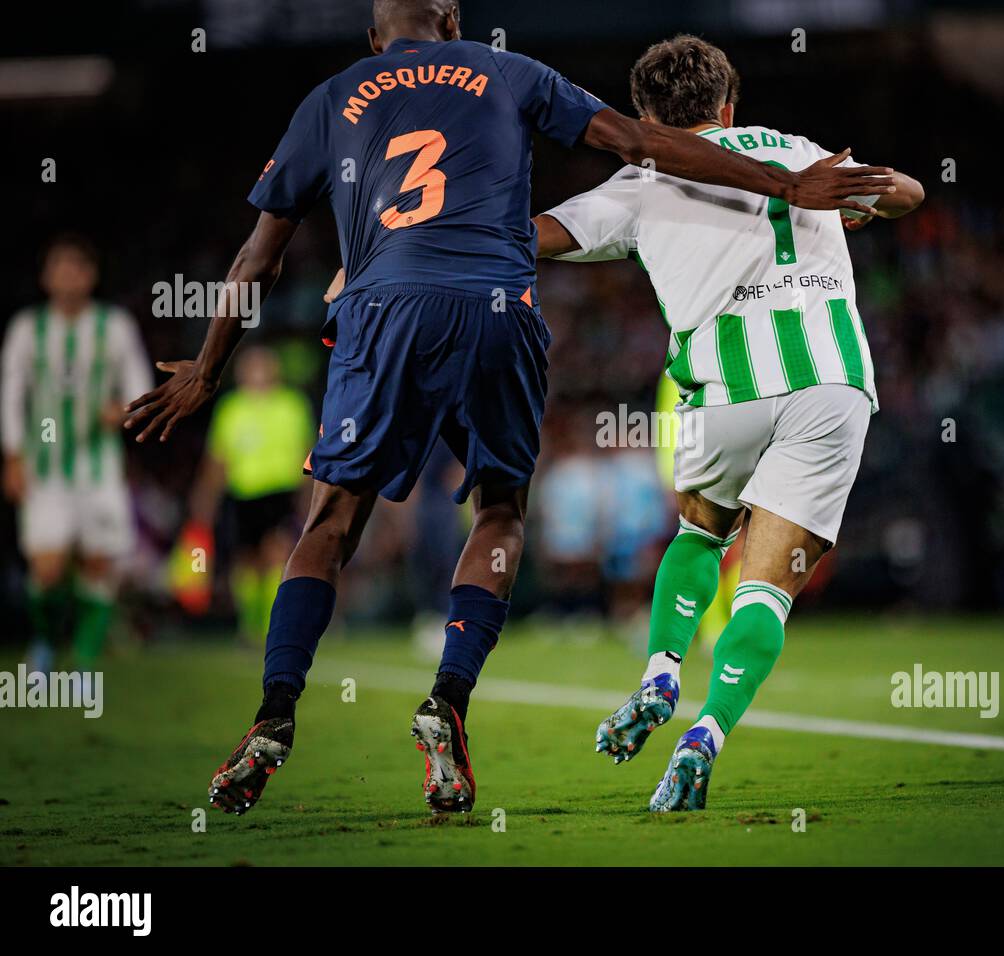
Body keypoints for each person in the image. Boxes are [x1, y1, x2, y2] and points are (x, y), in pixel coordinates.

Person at [124, 0, 892, 817]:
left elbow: (259, 253)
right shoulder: (509, 70)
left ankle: (274, 711)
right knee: (500, 511)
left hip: (386, 306)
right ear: (452, 19)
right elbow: (642, 144)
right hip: (505, 308)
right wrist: (787, 183)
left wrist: (208, 371)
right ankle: (448, 699)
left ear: (374, 38)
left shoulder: (332, 97)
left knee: (330, 522)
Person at [533, 35, 924, 809]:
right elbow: (908, 191)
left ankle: (659, 675)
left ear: (647, 116)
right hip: (833, 383)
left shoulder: (641, 176)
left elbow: (537, 236)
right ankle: (705, 734)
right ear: (728, 105)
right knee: (767, 592)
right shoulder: (800, 152)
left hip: (726, 388)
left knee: (700, 535)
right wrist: (862, 201)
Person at [1, 234, 152, 676]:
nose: (68, 275)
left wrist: (123, 409)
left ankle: (84, 664)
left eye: (77, 267)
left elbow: (139, 388)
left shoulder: (115, 325)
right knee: (46, 569)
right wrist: (12, 456)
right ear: (47, 276)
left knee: (97, 564)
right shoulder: (28, 328)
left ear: (91, 275)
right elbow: (12, 394)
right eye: (59, 267)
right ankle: (46, 641)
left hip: (99, 468)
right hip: (44, 467)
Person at [188, 347, 315, 642]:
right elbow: (218, 458)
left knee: (277, 555)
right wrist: (204, 498)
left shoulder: (291, 405)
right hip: (243, 492)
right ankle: (249, 622)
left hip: (280, 490)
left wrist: (308, 494)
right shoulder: (231, 409)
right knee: (245, 561)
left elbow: (307, 451)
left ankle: (272, 624)